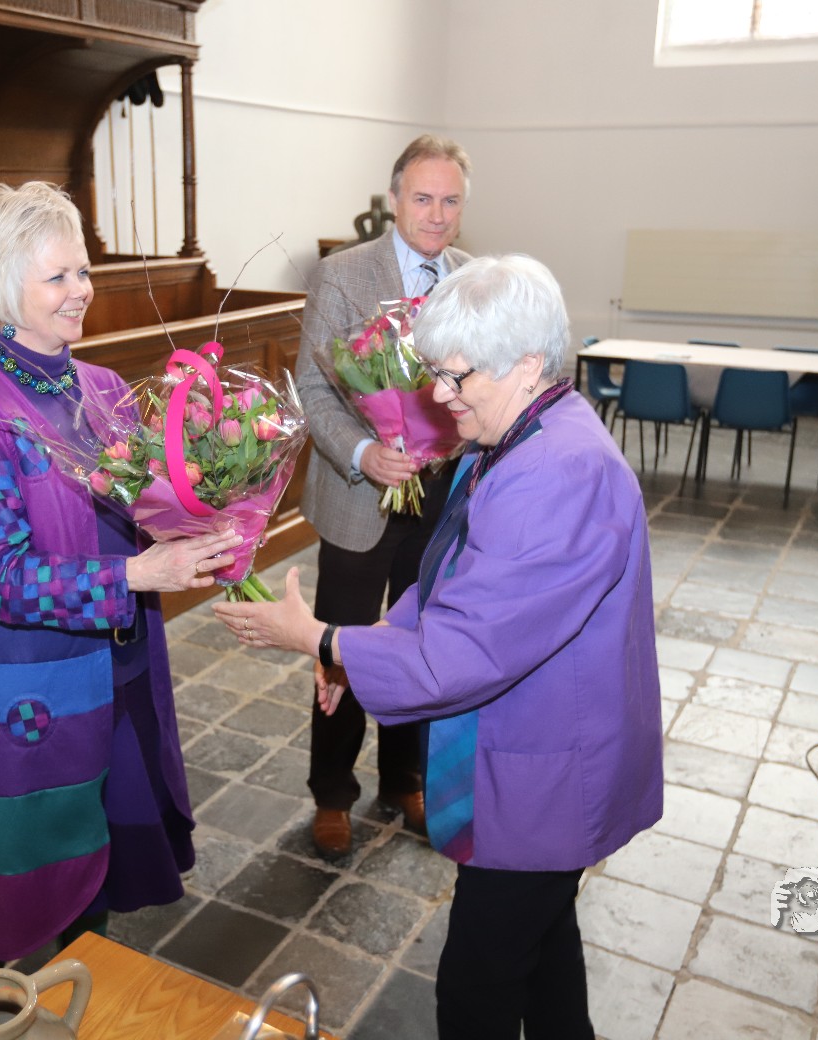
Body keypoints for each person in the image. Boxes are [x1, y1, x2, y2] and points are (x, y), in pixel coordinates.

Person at [214, 255, 664, 1040]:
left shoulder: (557, 474)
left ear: (528, 365)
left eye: (457, 377)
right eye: (436, 374)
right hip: (538, 754)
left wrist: (317, 636)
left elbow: (460, 653)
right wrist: (365, 643)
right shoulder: (514, 433)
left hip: (550, 775)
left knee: (475, 993)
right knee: (546, 963)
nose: (440, 395)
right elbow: (453, 574)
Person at [0, 181, 239, 981]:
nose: (81, 290)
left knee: (94, 869)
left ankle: (83, 1007)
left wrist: (208, 511)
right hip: (27, 694)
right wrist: (138, 572)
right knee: (6, 893)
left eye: (83, 271)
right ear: (4, 288)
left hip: (116, 667)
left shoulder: (100, 387)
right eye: (57, 277)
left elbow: (139, 509)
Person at [293, 134, 475, 858]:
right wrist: (366, 454)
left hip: (439, 498)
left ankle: (405, 778)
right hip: (358, 497)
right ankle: (331, 793)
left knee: (420, 643)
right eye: (423, 198)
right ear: (394, 198)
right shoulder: (342, 274)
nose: (436, 214)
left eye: (450, 200)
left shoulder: (469, 280)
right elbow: (315, 389)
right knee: (340, 647)